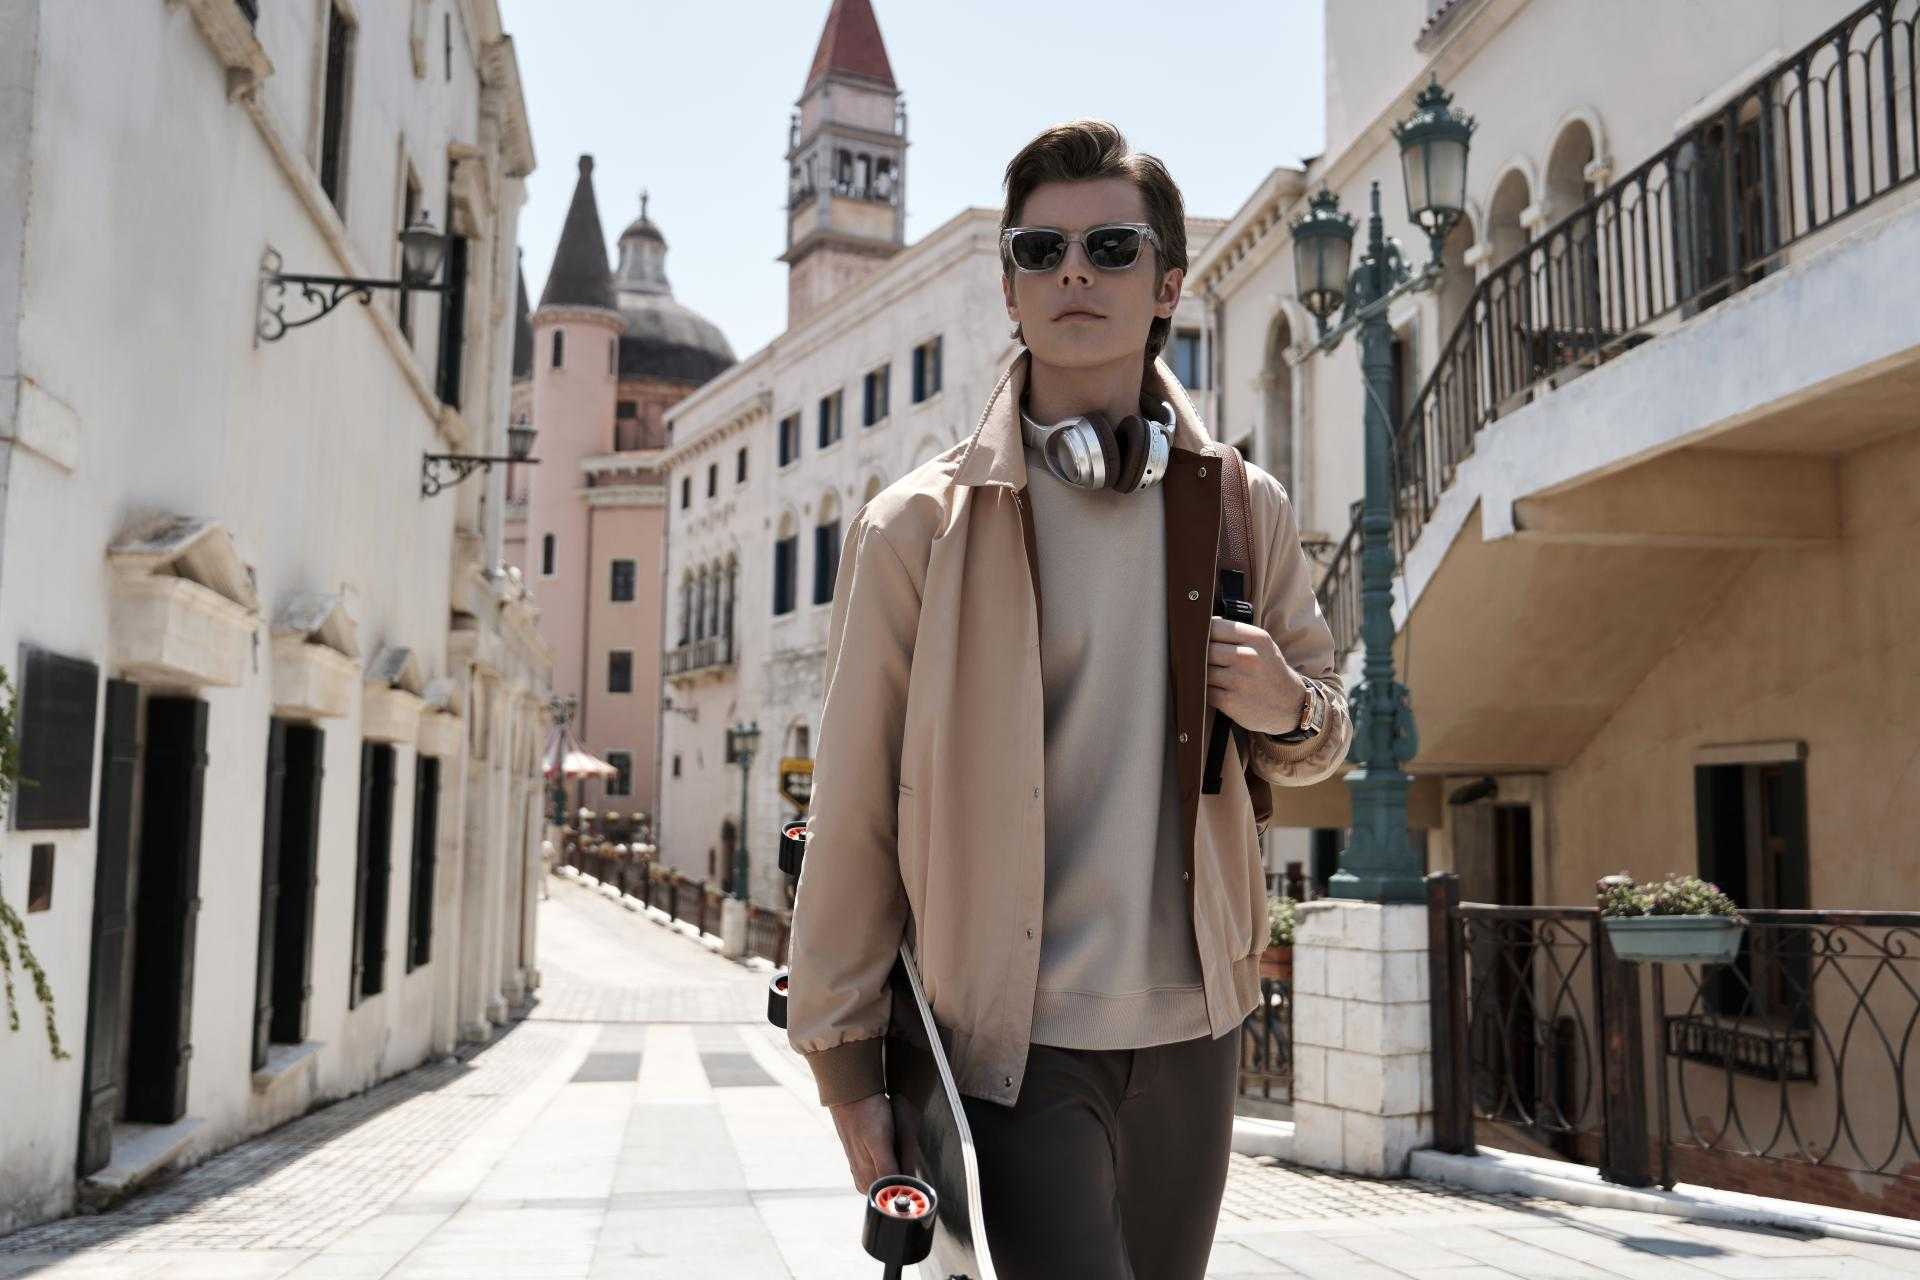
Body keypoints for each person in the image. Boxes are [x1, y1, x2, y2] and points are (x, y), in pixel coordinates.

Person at [786, 119, 1353, 1279]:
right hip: (1015, 1041)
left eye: (1111, 246)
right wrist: (846, 1068)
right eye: (1040, 252)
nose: (1074, 273)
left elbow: (1324, 731)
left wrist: (1287, 702)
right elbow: (853, 812)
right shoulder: (916, 530)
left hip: (1199, 1026)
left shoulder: (1242, 506)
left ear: (1168, 285)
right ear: (1009, 289)